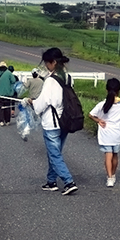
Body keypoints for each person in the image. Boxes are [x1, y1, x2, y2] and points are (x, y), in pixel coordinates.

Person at [24, 48, 78, 196]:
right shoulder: (68, 77)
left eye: (47, 63)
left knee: (54, 154)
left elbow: (42, 103)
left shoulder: (50, 81)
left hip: (52, 122)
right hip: (65, 120)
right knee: (55, 152)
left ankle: (69, 182)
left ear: (53, 62)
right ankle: (51, 181)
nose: (46, 66)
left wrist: (31, 101)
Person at [88, 78, 120, 187]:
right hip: (117, 134)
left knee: (108, 155)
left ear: (106, 89)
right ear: (119, 90)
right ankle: (113, 174)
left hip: (105, 133)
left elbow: (90, 114)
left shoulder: (102, 104)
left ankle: (109, 178)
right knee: (115, 155)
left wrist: (98, 121)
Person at [0, 61, 16, 126]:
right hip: (7, 94)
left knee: (0, 107)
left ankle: (1, 121)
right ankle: (7, 120)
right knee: (7, 107)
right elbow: (13, 80)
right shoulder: (8, 73)